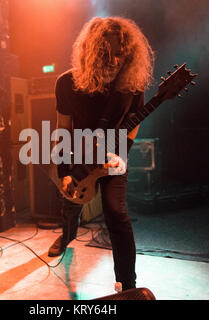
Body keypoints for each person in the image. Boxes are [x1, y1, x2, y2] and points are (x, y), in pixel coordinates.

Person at [48, 16, 155, 292]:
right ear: (92, 52)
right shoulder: (67, 83)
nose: (114, 61)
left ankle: (128, 285)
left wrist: (119, 156)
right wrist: (63, 171)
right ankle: (66, 236)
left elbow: (133, 126)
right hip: (78, 153)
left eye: (120, 54)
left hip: (113, 156)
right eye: (106, 54)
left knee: (115, 211)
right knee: (71, 203)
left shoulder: (132, 84)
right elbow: (62, 128)